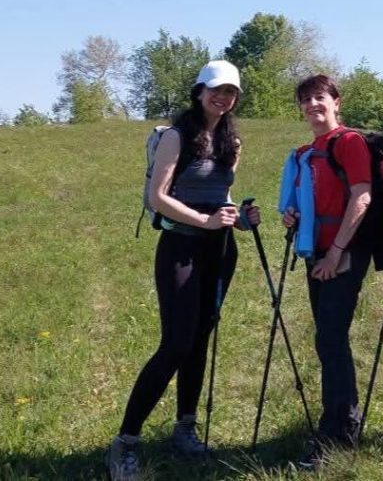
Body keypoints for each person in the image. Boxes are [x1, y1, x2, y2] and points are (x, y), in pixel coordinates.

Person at [107, 60, 260, 481]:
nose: (223, 97)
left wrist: (239, 218)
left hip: (219, 250)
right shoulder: (176, 137)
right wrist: (204, 221)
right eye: (216, 90)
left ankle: (185, 429)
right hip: (180, 248)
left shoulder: (232, 141)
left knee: (200, 339)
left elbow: (220, 195)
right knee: (176, 343)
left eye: (230, 92)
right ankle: (125, 442)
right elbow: (158, 197)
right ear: (199, 91)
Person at [281, 74, 373, 470]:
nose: (312, 105)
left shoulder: (349, 142)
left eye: (320, 97)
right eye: (306, 100)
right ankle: (339, 418)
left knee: (331, 338)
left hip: (342, 252)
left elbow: (362, 197)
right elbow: (312, 198)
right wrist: (293, 215)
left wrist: (336, 253)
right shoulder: (308, 151)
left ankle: (339, 428)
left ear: (337, 102)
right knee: (327, 337)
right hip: (315, 251)